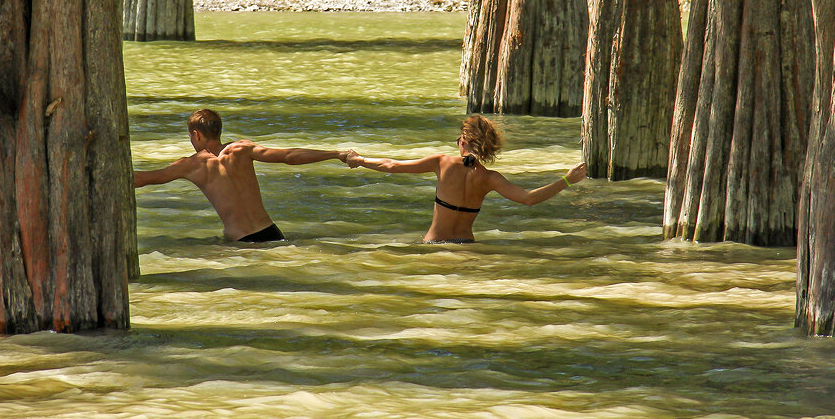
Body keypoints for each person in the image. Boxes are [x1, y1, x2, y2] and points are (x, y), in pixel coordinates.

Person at [345, 114, 586, 243]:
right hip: (467, 249)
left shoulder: (442, 162)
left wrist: (360, 160)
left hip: (435, 248)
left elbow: (392, 165)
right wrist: (567, 180)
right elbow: (529, 199)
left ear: (463, 140)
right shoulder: (490, 178)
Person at [133, 108, 351, 243]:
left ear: (196, 134)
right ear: (219, 130)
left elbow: (141, 180)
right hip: (272, 234)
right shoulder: (242, 149)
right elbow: (290, 156)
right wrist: (335, 154)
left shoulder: (191, 165)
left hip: (242, 243)